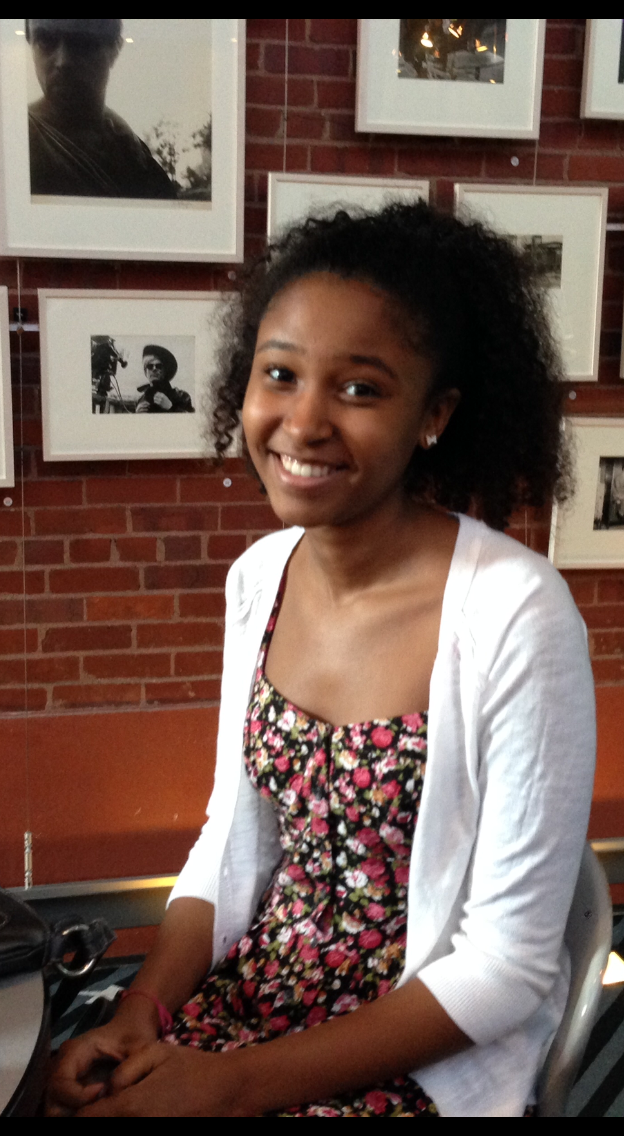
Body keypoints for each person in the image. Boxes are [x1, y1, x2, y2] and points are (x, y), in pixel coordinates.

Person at [47, 203, 596, 1118]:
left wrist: (229, 1087)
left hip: (416, 1040)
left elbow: (507, 965)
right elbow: (234, 840)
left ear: (434, 416)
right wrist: (142, 1014)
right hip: (257, 990)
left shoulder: (516, 613)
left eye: (360, 390)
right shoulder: (260, 577)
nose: (302, 422)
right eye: (280, 374)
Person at [26, 19, 177, 199]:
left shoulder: (134, 153)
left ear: (115, 50)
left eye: (82, 43)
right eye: (45, 40)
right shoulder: (18, 139)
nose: (62, 61)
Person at [135, 346, 194, 414]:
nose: (154, 369)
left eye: (159, 366)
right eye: (150, 366)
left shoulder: (181, 396)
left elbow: (191, 418)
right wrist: (137, 415)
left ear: (165, 371)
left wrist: (171, 408)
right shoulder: (141, 400)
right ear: (146, 372)